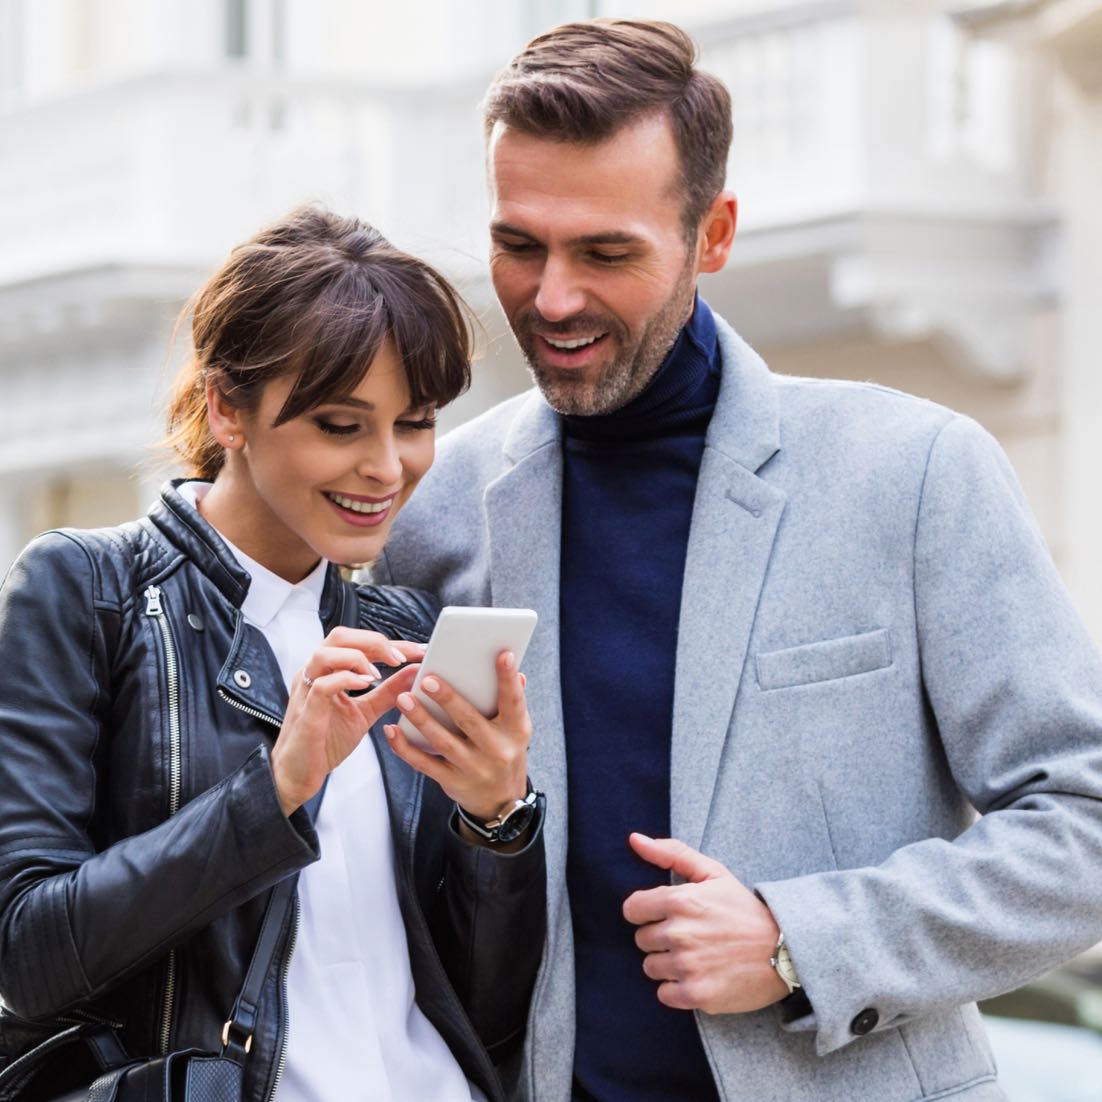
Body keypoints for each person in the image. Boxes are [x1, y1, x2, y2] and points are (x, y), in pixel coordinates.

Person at [374, 18, 1102, 1102]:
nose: (554, 297)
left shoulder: (914, 472)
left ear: (712, 235)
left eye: (606, 252)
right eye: (519, 245)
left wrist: (796, 938)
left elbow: (1083, 827)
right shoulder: (430, 513)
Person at [0, 205, 546, 1102]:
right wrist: (277, 789)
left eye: (413, 422)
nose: (386, 467)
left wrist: (496, 823)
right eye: (340, 425)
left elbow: (484, 1013)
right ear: (227, 407)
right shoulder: (89, 591)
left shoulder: (404, 627)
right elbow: (27, 954)